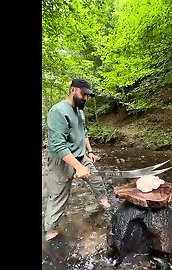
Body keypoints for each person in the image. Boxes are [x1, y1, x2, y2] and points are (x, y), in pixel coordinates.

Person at [44, 78, 111, 241]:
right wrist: (78, 168)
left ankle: (103, 201)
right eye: (83, 94)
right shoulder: (57, 111)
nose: (85, 98)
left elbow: (83, 132)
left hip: (80, 154)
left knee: (95, 178)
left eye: (88, 95)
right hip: (61, 159)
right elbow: (59, 146)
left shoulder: (80, 111)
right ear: (73, 89)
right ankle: (50, 230)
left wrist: (90, 151)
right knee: (59, 195)